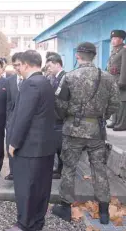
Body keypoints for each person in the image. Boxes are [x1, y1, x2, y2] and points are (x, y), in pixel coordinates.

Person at [52, 42, 120, 225]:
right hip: (97, 131)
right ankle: (104, 211)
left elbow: (59, 104)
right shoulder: (106, 77)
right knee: (99, 170)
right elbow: (115, 103)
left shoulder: (69, 77)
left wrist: (66, 117)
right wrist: (102, 116)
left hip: (72, 130)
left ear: (77, 56)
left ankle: (66, 207)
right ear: (95, 56)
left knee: (69, 169)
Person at [6, 50, 55, 231]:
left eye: (20, 66)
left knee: (26, 187)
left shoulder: (30, 84)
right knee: (41, 188)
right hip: (45, 147)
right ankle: (37, 222)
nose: (19, 70)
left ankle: (24, 224)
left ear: (26, 65)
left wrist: (13, 143)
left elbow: (23, 117)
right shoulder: (45, 82)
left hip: (29, 148)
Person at [45, 54, 66, 179]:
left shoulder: (65, 77)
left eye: (50, 66)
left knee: (61, 146)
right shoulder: (53, 77)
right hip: (54, 117)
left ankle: (61, 169)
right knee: (57, 145)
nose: (48, 69)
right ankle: (58, 169)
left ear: (58, 64)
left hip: (61, 117)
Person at [4, 52, 23, 181]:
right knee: (10, 144)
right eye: (14, 65)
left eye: (19, 65)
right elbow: (8, 102)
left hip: (26, 120)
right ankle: (12, 172)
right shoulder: (10, 80)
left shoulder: (31, 80)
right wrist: (8, 119)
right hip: (12, 119)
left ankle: (22, 172)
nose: (17, 68)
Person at [106, 29, 126, 131]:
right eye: (112, 38)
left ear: (121, 39)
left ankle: (121, 124)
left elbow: (124, 67)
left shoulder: (124, 50)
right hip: (113, 81)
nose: (113, 40)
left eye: (115, 38)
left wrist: (122, 82)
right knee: (114, 101)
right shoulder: (114, 51)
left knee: (122, 102)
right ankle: (114, 121)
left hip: (120, 81)